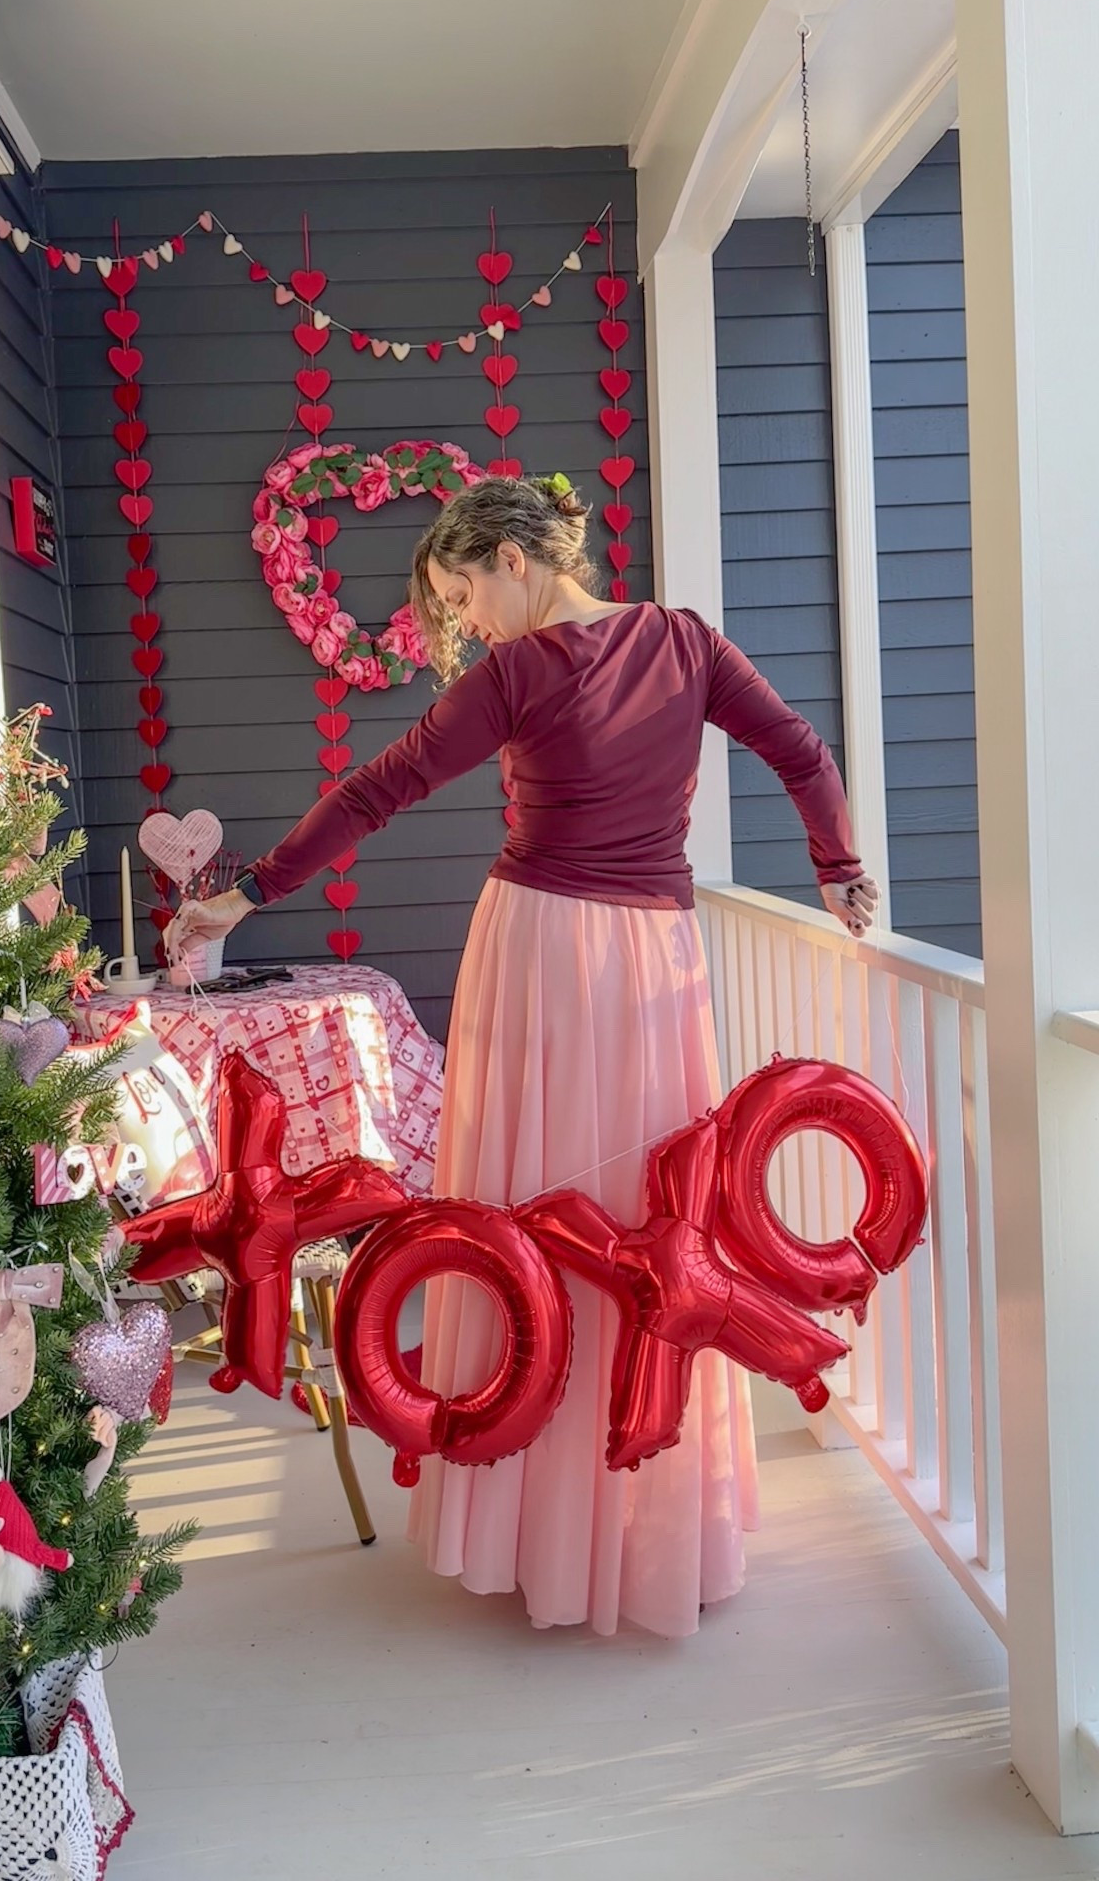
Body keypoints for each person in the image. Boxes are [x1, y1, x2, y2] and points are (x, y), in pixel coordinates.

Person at [170, 473, 878, 1638]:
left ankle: (535, 1517)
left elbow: (383, 787)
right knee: (647, 1211)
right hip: (656, 956)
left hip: (543, 949)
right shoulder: (686, 642)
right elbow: (801, 751)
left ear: (510, 557)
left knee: (533, 1204)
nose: (467, 626)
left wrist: (251, 893)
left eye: (463, 596)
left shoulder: (516, 673)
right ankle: (648, 1515)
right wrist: (838, 868)